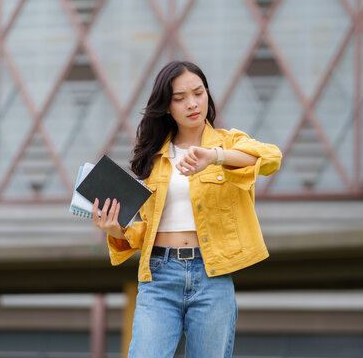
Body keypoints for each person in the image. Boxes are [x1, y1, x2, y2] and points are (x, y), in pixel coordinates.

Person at [92, 61, 282, 357]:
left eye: (198, 93)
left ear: (207, 94)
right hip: (159, 275)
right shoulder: (154, 157)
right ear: (166, 107)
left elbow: (271, 158)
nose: (192, 104)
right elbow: (146, 228)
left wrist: (214, 156)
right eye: (180, 98)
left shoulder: (228, 143)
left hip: (212, 276)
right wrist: (116, 229)